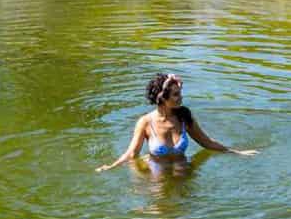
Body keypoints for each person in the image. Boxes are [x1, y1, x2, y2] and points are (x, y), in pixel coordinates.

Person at [96, 71, 256, 171]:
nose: (181, 97)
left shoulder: (185, 117)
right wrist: (111, 167)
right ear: (162, 98)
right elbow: (132, 153)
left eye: (180, 93)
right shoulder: (145, 122)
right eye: (175, 94)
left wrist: (236, 152)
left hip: (183, 173)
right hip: (157, 178)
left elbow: (207, 142)